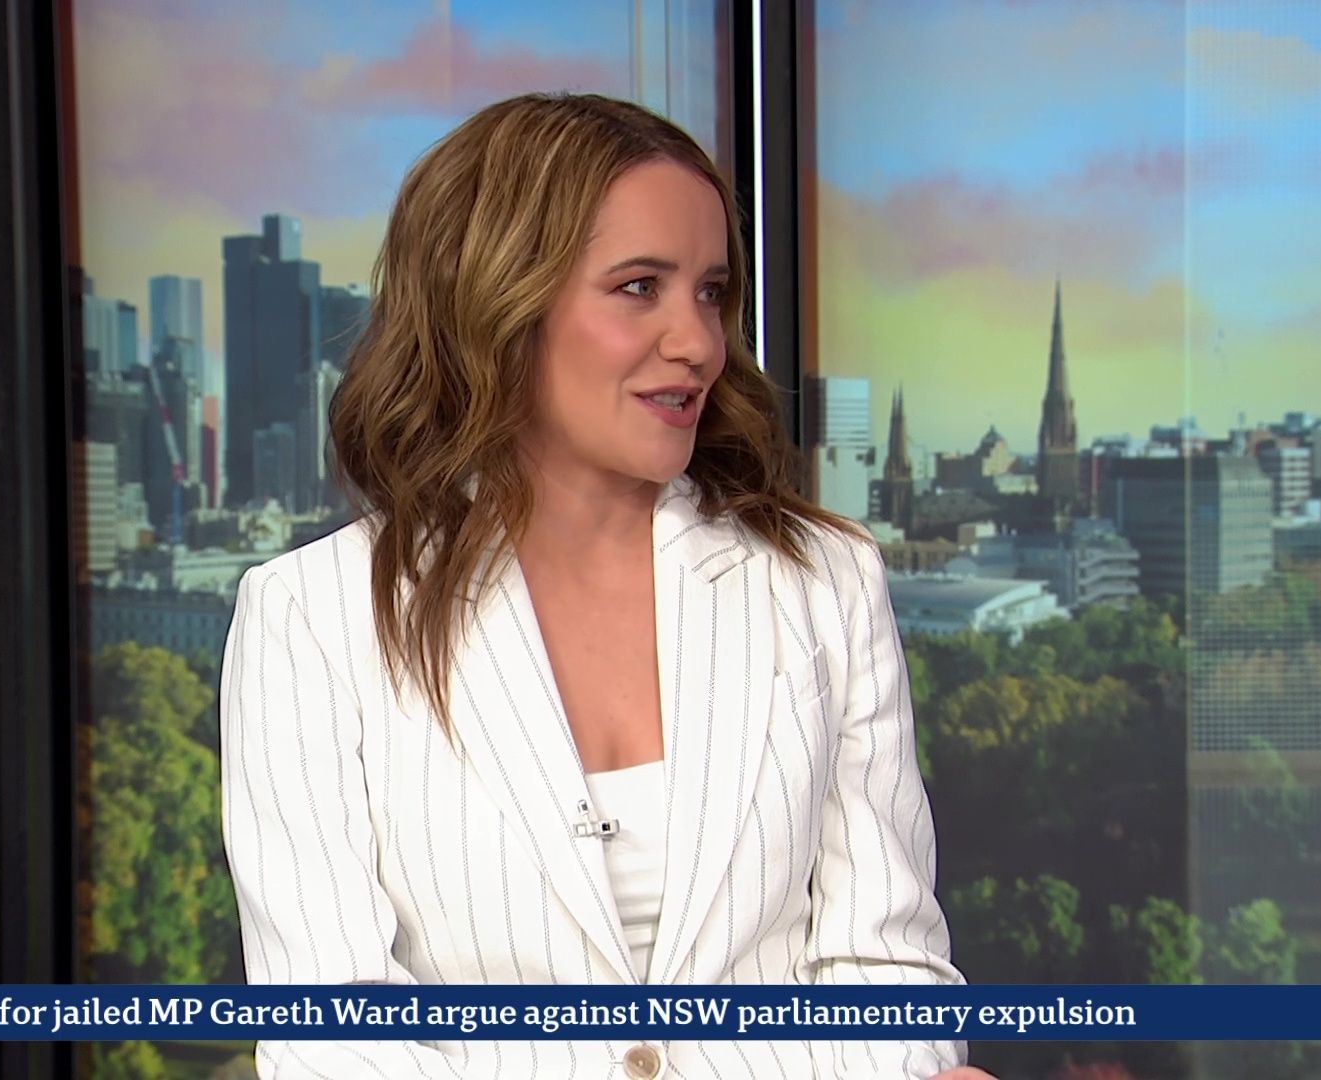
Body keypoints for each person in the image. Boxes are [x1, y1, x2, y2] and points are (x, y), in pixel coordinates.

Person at [220, 91, 990, 1079]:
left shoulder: (823, 580)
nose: (698, 342)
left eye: (710, 293)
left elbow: (884, 963)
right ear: (497, 304)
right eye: (639, 287)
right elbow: (339, 1042)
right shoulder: (311, 619)